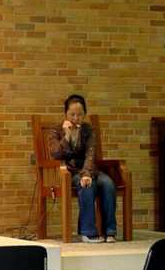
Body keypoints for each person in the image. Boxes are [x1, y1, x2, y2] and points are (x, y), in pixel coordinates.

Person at [49, 94, 117, 243]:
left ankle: (109, 231)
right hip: (68, 171)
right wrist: (66, 136)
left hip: (87, 168)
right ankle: (87, 231)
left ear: (84, 114)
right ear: (65, 113)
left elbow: (91, 153)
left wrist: (87, 173)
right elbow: (55, 154)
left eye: (80, 114)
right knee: (87, 185)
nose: (75, 118)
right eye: (72, 114)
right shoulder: (56, 130)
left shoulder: (89, 129)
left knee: (108, 184)